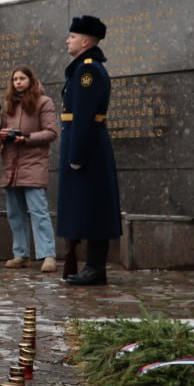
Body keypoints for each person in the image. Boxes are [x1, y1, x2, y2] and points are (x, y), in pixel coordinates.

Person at [58, 16, 122, 286]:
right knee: (87, 206)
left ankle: (96, 268)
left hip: (88, 147)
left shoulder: (87, 71)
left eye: (72, 36)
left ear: (85, 41)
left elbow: (83, 117)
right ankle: (92, 267)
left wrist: (76, 155)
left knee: (94, 207)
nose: (67, 40)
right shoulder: (84, 68)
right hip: (86, 145)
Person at [0, 66, 60, 273]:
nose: (17, 82)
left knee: (38, 212)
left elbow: (51, 132)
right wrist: (3, 135)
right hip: (12, 165)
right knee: (15, 214)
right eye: (14, 79)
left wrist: (27, 138)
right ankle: (20, 254)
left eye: (22, 78)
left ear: (31, 80)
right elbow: (0, 132)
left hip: (33, 163)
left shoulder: (44, 102)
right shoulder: (8, 105)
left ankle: (48, 255)